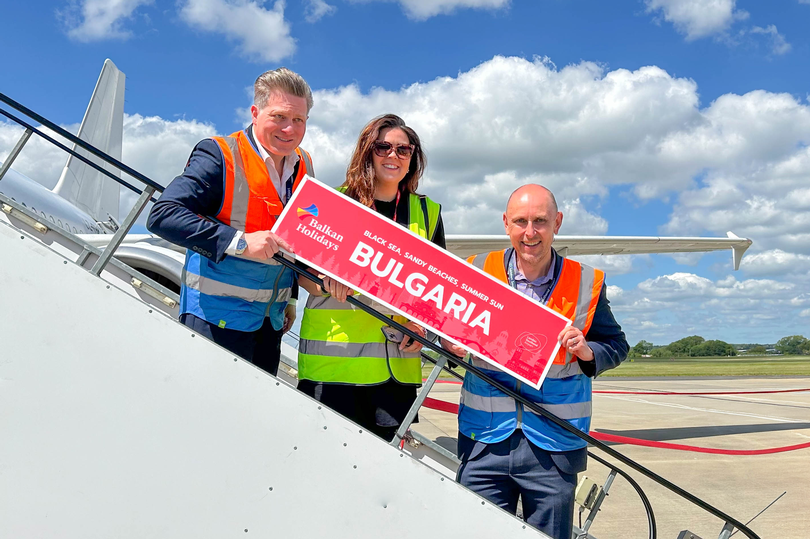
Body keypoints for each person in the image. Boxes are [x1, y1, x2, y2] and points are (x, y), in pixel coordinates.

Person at [449, 184, 628, 539]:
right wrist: (450, 344)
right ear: (506, 224)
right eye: (520, 221)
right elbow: (449, 332)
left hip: (553, 448)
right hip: (484, 441)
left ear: (557, 223)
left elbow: (617, 344)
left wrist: (588, 352)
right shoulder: (477, 271)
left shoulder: (585, 282)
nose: (529, 233)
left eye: (540, 222)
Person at [146, 67, 315, 376]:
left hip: (271, 322)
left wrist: (290, 296)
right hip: (215, 318)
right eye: (279, 117)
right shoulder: (220, 154)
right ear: (255, 112)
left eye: (298, 120)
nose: (289, 129)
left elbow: (293, 237)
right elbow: (163, 215)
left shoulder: (304, 163)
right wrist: (239, 242)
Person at [296, 114, 446, 441]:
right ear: (367, 151)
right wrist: (325, 281)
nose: (393, 156)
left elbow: (439, 291)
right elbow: (300, 273)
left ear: (413, 159)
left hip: (395, 375)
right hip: (333, 368)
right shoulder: (330, 202)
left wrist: (420, 327)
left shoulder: (428, 213)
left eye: (404, 150)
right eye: (383, 147)